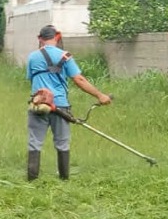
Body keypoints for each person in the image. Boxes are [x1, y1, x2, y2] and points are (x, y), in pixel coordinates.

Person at [25, 24, 112, 181]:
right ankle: (64, 179)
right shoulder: (65, 56)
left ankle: (32, 180)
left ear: (40, 39)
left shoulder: (32, 57)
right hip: (60, 105)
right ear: (57, 37)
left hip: (38, 104)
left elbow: (31, 79)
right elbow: (79, 79)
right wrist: (100, 95)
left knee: (34, 142)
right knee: (62, 142)